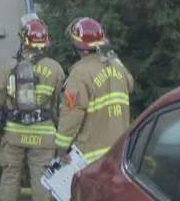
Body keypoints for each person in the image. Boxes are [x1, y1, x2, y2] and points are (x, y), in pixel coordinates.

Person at [0, 16, 64, 201]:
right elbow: (58, 104)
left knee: (11, 172)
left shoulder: (9, 66)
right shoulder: (55, 68)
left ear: (24, 40)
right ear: (45, 42)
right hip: (44, 133)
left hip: (14, 132)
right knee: (41, 174)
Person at [55, 18, 136, 166]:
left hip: (91, 158)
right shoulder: (117, 67)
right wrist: (110, 54)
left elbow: (71, 115)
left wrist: (61, 148)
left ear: (76, 46)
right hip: (120, 152)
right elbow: (130, 84)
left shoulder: (80, 73)